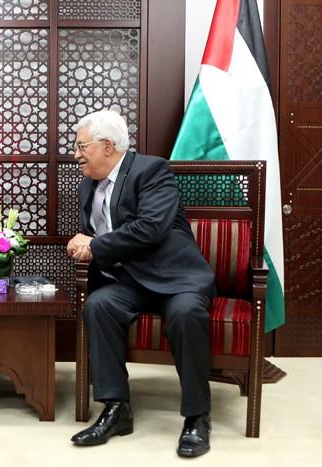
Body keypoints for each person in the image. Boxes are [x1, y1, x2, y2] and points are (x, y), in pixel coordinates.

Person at [67, 109, 215, 457]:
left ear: (107, 146)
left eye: (81, 146)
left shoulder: (151, 171)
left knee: (186, 314)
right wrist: (83, 243)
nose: (75, 155)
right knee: (99, 305)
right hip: (130, 280)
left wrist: (95, 245)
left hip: (176, 277)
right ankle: (116, 408)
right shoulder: (87, 184)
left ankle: (197, 417)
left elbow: (151, 228)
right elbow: (98, 232)